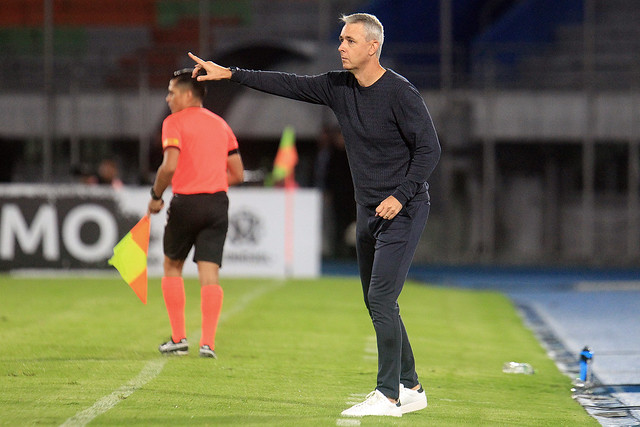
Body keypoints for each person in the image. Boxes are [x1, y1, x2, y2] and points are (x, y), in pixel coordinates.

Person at [189, 12, 440, 417]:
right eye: (341, 39)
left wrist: (401, 195)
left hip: (405, 208)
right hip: (367, 209)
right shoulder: (339, 87)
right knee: (378, 301)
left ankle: (388, 395)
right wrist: (230, 73)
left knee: (380, 298)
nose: (341, 46)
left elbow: (430, 150)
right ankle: (411, 387)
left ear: (373, 46)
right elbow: (286, 84)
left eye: (350, 40)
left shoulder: (401, 93)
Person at [148, 68, 244, 359]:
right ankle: (208, 344)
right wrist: (211, 182)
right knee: (209, 273)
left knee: (172, 266)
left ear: (188, 94)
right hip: (217, 203)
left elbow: (169, 166)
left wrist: (155, 195)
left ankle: (178, 338)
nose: (168, 98)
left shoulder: (173, 123)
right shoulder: (222, 125)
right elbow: (237, 173)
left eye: (172, 92)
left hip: (186, 203)